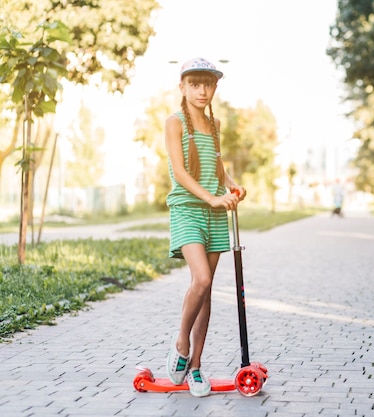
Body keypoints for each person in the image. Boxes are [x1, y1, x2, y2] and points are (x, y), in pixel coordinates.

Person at [164, 57, 246, 397]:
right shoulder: (174, 122)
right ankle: (181, 342)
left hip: (213, 214)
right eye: (195, 84)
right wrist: (210, 199)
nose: (202, 90)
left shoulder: (214, 124)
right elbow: (180, 172)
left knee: (207, 292)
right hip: (187, 210)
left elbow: (215, 164)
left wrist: (230, 185)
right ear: (182, 87)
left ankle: (196, 367)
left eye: (208, 84)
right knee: (202, 279)